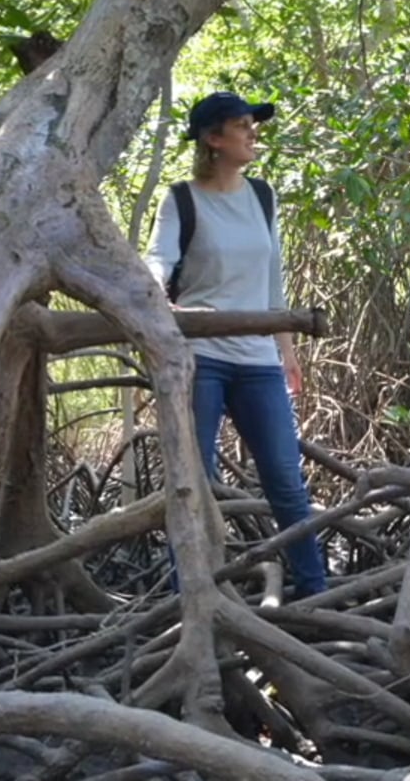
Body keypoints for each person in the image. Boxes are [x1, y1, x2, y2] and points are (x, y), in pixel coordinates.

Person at [145, 91, 327, 597]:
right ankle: (194, 597)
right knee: (194, 484)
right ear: (212, 138)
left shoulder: (263, 196)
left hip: (257, 358)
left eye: (253, 124)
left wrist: (286, 350)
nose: (253, 134)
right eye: (242, 126)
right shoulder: (182, 197)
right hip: (201, 357)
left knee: (286, 483)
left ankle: (317, 590)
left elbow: (273, 280)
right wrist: (160, 299)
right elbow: (157, 260)